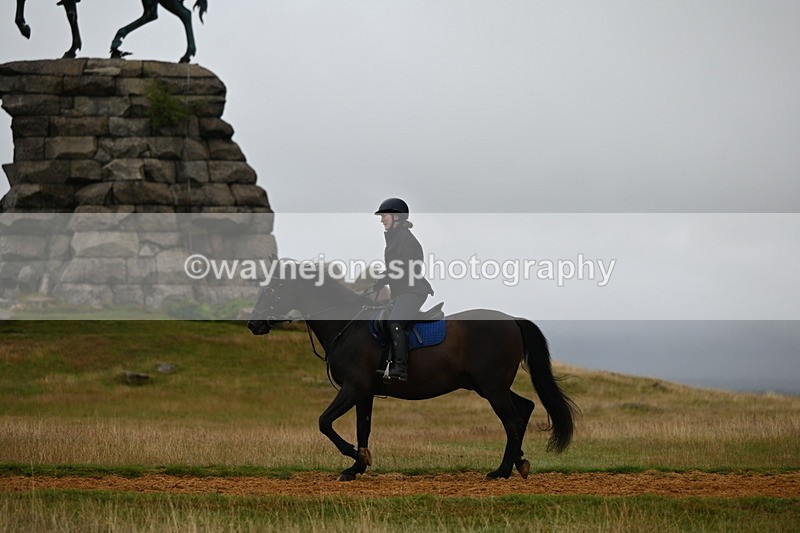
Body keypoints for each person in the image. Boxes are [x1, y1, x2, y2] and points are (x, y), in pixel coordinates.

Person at [374, 197, 434, 382]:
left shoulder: (403, 238)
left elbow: (402, 267)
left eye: (384, 216)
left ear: (396, 218)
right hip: (403, 291)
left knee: (395, 321)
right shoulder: (395, 239)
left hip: (414, 291)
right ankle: (386, 363)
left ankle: (400, 368)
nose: (382, 219)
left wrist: (383, 278)